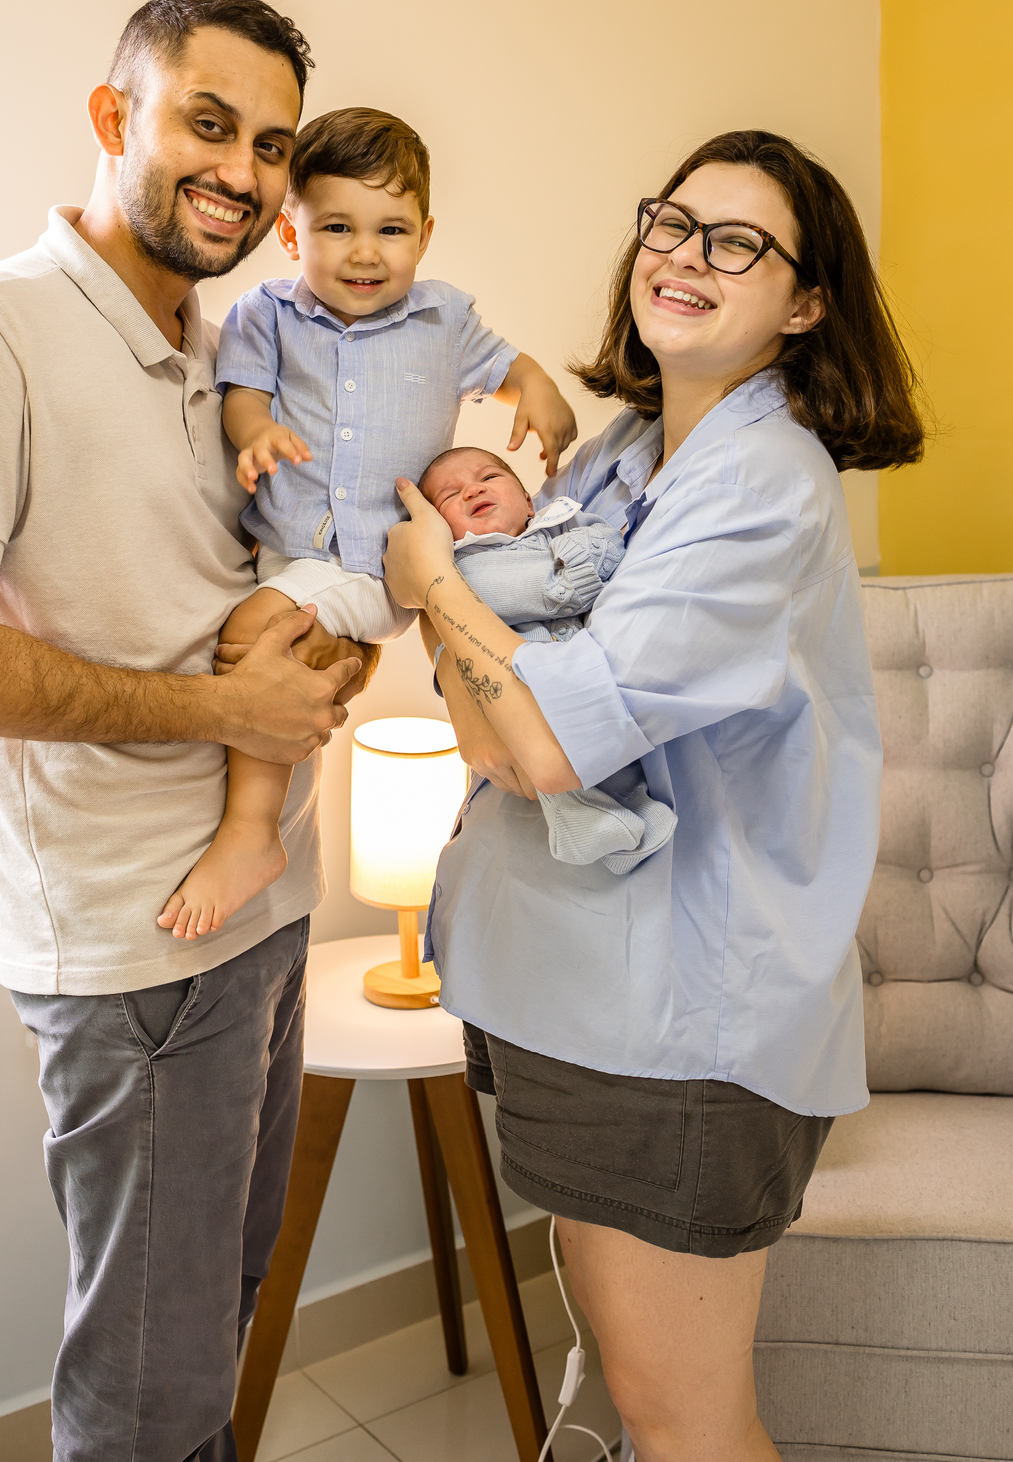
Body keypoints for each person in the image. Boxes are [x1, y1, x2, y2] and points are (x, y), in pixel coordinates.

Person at [0, 0, 372, 1462]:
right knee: (147, 1395)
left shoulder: (241, 350)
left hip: (268, 907)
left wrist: (329, 661)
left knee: (216, 1331)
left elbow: (257, 586)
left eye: (269, 145)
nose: (242, 171)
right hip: (138, 948)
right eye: (207, 124)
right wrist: (221, 705)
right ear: (112, 116)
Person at [382, 130, 924, 1462]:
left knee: (685, 1425)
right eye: (672, 223)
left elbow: (539, 747)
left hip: (676, 1025)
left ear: (806, 304)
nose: (685, 256)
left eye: (738, 243)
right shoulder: (626, 449)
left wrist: (434, 583)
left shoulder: (760, 486)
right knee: (639, 1405)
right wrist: (489, 664)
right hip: (573, 990)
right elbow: (489, 725)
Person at [157, 108, 577, 940]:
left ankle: (250, 832)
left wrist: (540, 391)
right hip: (292, 548)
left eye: (391, 230)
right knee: (292, 656)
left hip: (384, 562)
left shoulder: (443, 319)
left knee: (256, 636)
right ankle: (270, 814)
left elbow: (508, 366)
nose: (365, 253)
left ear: (424, 235)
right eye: (337, 227)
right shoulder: (265, 313)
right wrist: (256, 435)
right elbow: (243, 397)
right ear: (290, 232)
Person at [418, 445, 675, 867]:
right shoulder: (463, 568)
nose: (472, 491)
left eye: (489, 477)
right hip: (524, 687)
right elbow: (547, 589)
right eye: (449, 495)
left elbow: (606, 543)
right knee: (544, 750)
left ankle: (623, 812)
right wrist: (568, 570)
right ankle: (582, 818)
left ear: (528, 501)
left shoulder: (561, 520)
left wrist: (575, 559)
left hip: (586, 674)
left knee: (614, 758)